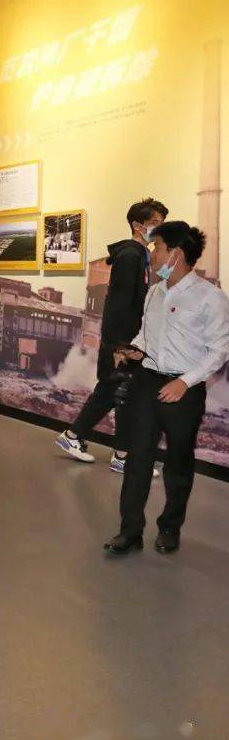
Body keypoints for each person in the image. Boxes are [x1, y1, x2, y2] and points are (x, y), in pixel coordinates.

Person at [105, 221, 229, 555]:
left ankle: (170, 527)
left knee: (177, 464)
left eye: (156, 248)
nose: (153, 254)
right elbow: (146, 335)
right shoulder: (155, 293)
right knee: (137, 460)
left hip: (183, 391)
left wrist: (185, 382)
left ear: (175, 254)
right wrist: (132, 349)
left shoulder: (211, 298)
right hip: (147, 383)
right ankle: (129, 531)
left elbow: (220, 351)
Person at [57, 198, 168, 471]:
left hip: (129, 339)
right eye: (155, 224)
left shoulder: (139, 255)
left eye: (161, 224)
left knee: (112, 391)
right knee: (122, 394)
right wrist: (120, 345)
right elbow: (118, 303)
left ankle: (76, 437)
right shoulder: (131, 256)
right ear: (137, 225)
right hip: (124, 341)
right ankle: (120, 455)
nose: (159, 229)